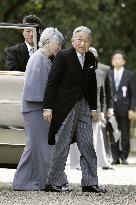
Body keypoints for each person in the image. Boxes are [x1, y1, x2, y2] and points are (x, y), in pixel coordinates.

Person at [43, 26, 107, 193]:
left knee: (87, 144)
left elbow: (92, 85)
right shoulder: (63, 56)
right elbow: (52, 83)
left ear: (90, 43)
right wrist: (48, 107)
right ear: (73, 41)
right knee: (62, 145)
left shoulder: (91, 57)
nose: (82, 43)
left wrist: (94, 108)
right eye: (79, 40)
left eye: (86, 40)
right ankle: (53, 182)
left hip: (84, 106)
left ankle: (89, 183)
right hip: (65, 107)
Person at [12, 27, 64, 191]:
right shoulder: (39, 58)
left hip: (36, 108)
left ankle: (26, 182)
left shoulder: (42, 58)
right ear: (49, 43)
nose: (60, 48)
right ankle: (40, 181)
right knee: (40, 147)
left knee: (35, 147)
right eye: (59, 45)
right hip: (36, 109)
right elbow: (34, 88)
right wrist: (48, 107)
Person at [69, 47, 114, 169]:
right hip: (77, 109)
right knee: (77, 138)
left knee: (94, 139)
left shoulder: (100, 73)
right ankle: (76, 163)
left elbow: (103, 95)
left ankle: (95, 162)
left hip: (95, 111)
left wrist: (102, 111)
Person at [111, 50, 136, 165]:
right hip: (112, 109)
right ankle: (115, 157)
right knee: (113, 132)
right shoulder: (109, 74)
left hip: (125, 109)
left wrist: (131, 109)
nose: (116, 60)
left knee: (125, 134)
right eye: (114, 58)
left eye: (118, 58)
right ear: (112, 61)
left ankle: (124, 156)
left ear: (123, 61)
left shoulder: (129, 75)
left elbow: (133, 94)